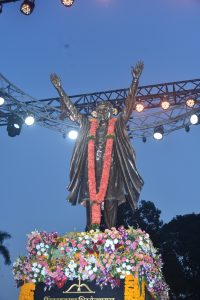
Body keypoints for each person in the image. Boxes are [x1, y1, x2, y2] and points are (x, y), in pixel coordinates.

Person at [50, 61, 144, 229]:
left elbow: (129, 105)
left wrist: (135, 80)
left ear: (112, 112)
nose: (102, 110)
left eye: (106, 108)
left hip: (112, 172)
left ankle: (111, 244)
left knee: (110, 213)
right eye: (99, 108)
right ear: (94, 113)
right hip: (90, 172)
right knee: (90, 214)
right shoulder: (87, 124)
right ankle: (91, 244)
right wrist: (59, 88)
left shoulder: (117, 124)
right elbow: (72, 110)